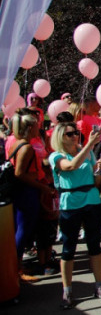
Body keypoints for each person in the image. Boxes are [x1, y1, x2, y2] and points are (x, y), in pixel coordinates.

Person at [49, 122, 101, 309]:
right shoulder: (57, 156)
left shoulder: (88, 152)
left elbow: (97, 179)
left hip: (91, 200)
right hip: (70, 202)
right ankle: (67, 289)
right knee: (69, 248)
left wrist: (98, 170)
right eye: (70, 134)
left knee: (94, 245)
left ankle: (99, 285)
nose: (75, 136)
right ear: (60, 136)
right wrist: (89, 146)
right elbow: (69, 166)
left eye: (76, 133)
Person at [7, 111, 54, 279]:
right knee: (23, 230)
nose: (38, 127)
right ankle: (16, 270)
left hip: (24, 191)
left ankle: (16, 267)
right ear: (29, 127)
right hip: (26, 192)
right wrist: (42, 187)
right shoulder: (26, 147)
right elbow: (19, 173)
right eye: (35, 125)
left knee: (21, 230)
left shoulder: (17, 143)